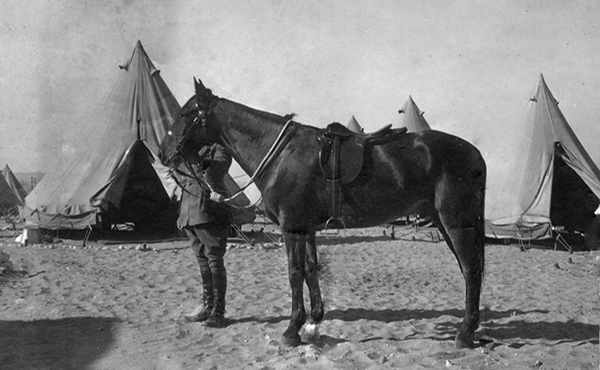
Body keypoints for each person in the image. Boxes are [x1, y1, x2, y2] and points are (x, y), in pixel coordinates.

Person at [178, 142, 232, 328]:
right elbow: (179, 172)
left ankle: (218, 311)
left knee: (214, 259)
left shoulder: (219, 148)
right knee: (201, 259)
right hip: (189, 210)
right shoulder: (188, 148)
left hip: (209, 210)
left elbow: (215, 170)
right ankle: (207, 306)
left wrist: (195, 159)